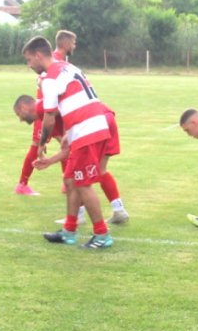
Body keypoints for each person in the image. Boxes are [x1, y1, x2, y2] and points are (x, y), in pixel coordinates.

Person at [22, 35, 115, 249]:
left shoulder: (50, 78)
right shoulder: (67, 67)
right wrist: (69, 133)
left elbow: (49, 115)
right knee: (71, 180)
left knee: (83, 184)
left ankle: (102, 235)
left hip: (87, 128)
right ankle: (69, 232)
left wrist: (42, 144)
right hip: (88, 125)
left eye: (29, 60)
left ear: (38, 55)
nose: (29, 65)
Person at [15, 94, 129, 225]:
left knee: (77, 178)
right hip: (104, 116)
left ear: (24, 107)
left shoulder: (47, 109)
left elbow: (70, 147)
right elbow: (68, 148)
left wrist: (46, 153)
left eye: (19, 114)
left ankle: (86, 224)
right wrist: (49, 159)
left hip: (92, 121)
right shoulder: (48, 114)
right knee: (100, 170)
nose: (20, 119)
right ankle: (118, 209)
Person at [14, 30, 78, 196]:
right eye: (73, 42)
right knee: (39, 145)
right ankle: (22, 184)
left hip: (53, 110)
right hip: (46, 111)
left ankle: (67, 182)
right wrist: (43, 109)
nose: (74, 45)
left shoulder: (59, 60)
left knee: (65, 143)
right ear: (65, 43)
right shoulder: (52, 59)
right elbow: (45, 83)